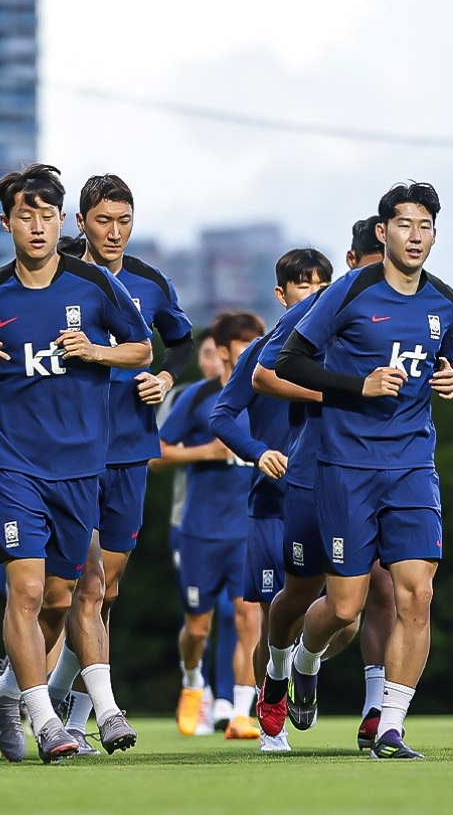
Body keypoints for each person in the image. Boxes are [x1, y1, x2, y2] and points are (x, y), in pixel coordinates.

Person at [0, 163, 152, 763]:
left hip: (82, 467)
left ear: (60, 221)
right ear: (6, 223)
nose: (36, 227)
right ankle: (47, 721)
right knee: (28, 589)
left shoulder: (94, 285)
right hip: (13, 465)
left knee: (65, 596)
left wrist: (96, 351)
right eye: (24, 216)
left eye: (46, 216)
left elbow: (142, 347)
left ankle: (8, 692)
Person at [274, 182, 453, 759]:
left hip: (411, 465)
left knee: (417, 594)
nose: (416, 236)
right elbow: (291, 360)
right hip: (346, 466)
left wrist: (445, 379)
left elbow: (440, 360)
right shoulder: (351, 290)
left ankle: (391, 726)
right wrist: (360, 384)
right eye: (405, 225)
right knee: (346, 607)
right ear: (383, 232)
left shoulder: (445, 300)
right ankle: (304, 661)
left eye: (425, 226)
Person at [45, 174, 194, 753]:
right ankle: (64, 707)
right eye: (103, 220)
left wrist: (164, 376)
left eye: (124, 221)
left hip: (130, 450)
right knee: (78, 586)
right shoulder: (55, 275)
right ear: (80, 222)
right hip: (70, 451)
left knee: (106, 590)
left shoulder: (151, 282)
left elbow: (178, 340)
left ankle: (67, 704)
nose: (114, 232)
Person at [254, 217, 394, 752]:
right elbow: (265, 373)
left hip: (384, 471)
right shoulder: (322, 309)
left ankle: (377, 712)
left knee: (383, 589)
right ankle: (282, 670)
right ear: (356, 262)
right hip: (315, 473)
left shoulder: (412, 309)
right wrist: (340, 393)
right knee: (305, 594)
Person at [208, 249, 333, 751]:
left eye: (322, 285)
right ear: (282, 295)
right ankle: (270, 721)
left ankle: (305, 663)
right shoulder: (260, 352)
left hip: (329, 496)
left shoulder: (338, 355)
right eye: (302, 286)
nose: (313, 294)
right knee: (265, 617)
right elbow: (222, 416)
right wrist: (258, 453)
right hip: (271, 505)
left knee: (341, 614)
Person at [160, 310, 265, 738]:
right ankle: (192, 683)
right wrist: (205, 452)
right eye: (243, 344)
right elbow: (157, 450)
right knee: (198, 627)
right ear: (223, 352)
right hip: (200, 529)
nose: (252, 352)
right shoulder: (199, 398)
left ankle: (242, 711)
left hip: (249, 526)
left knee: (247, 618)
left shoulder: (267, 396)